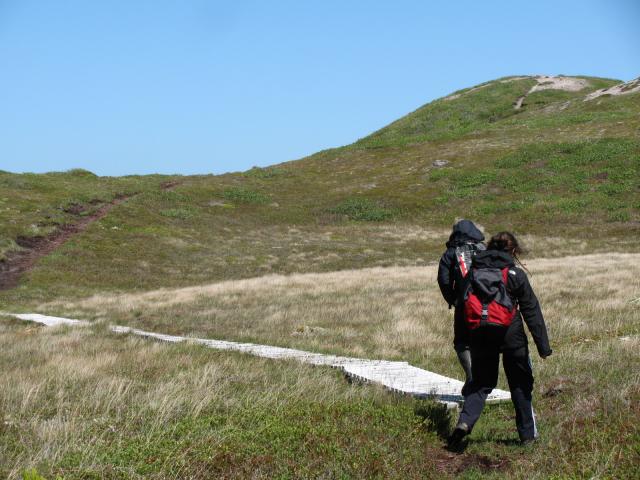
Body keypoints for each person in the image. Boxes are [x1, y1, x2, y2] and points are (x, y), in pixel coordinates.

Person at [448, 232, 552, 447]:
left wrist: (462, 339)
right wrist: (543, 346)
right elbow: (531, 310)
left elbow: (461, 307)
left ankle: (464, 422)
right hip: (511, 334)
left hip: (480, 334)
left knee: (481, 383)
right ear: (513, 251)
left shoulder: (473, 271)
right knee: (520, 384)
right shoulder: (515, 274)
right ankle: (528, 436)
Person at [437, 219, 486, 391]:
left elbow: (443, 280)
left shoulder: (451, 253)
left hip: (464, 305)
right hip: (488, 304)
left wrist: (453, 299)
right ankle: (484, 378)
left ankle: (472, 377)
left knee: (462, 342)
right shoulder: (485, 249)